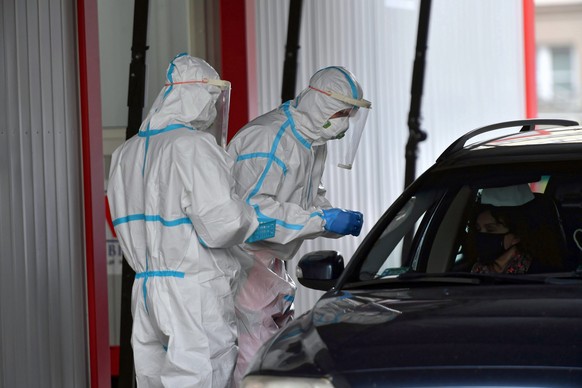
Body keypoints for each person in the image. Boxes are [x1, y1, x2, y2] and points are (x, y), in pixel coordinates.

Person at [107, 53, 274, 387]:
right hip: (193, 290)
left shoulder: (125, 153)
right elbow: (223, 225)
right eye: (211, 98)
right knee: (203, 377)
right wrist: (257, 220)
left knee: (152, 379)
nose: (213, 109)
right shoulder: (193, 145)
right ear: (193, 93)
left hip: (146, 289)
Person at [226, 66, 371, 383]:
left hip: (272, 260)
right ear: (322, 103)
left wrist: (331, 219)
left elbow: (309, 197)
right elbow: (252, 213)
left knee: (273, 354)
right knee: (254, 358)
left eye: (350, 113)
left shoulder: (312, 139)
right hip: (244, 258)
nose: (345, 120)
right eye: (342, 111)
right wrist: (320, 220)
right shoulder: (269, 138)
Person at [467, 185, 564, 274]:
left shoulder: (541, 273)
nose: (481, 236)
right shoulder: (472, 271)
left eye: (491, 229)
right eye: (478, 229)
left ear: (516, 236)